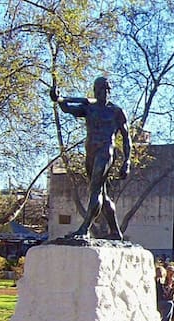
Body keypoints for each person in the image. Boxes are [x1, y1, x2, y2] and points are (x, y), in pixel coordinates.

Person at [50, 77, 131, 240]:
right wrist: (58, 98)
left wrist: (127, 161)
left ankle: (84, 228)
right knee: (102, 192)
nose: (105, 93)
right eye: (102, 89)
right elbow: (67, 108)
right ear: (95, 90)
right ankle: (115, 231)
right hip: (91, 152)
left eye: (108, 89)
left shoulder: (116, 111)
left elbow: (126, 136)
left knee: (95, 190)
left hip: (106, 151)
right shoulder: (89, 108)